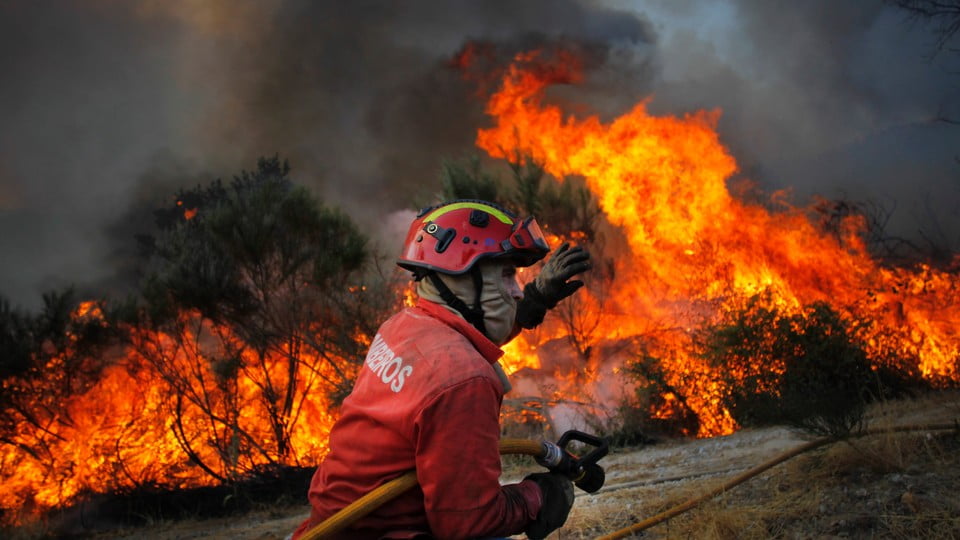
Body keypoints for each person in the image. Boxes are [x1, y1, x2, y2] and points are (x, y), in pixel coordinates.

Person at [291, 199, 591, 540]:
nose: (516, 292)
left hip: (335, 527)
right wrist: (538, 496)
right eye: (507, 275)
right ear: (460, 277)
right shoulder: (464, 380)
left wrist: (536, 300)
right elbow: (469, 524)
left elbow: (464, 335)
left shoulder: (404, 326)